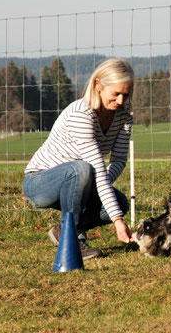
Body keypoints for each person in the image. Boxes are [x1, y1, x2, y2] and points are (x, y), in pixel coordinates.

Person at [23, 58, 135, 260]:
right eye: (115, 94)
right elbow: (96, 167)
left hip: (80, 181)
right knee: (81, 169)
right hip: (40, 182)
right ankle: (75, 239)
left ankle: (63, 229)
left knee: (119, 202)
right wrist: (119, 221)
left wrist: (102, 188)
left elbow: (118, 160)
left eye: (125, 95)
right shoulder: (80, 115)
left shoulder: (124, 116)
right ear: (98, 85)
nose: (120, 101)